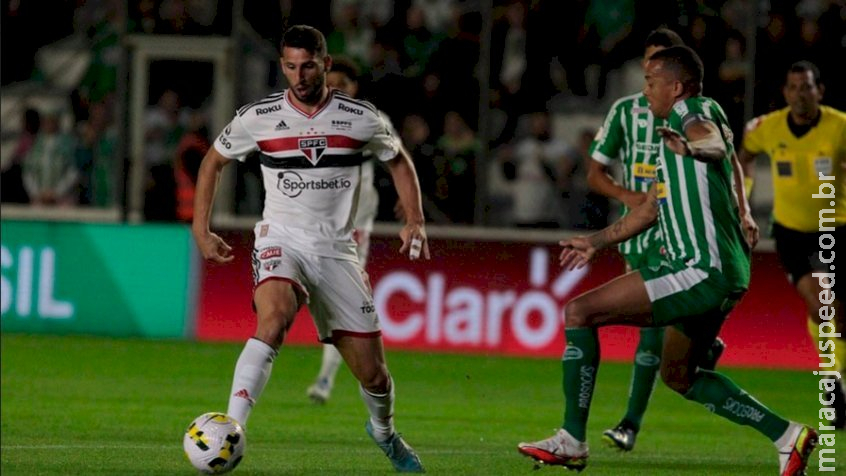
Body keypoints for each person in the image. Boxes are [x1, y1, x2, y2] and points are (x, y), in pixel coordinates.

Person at [517, 46, 817, 476]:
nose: (645, 90)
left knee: (579, 312)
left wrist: (694, 149)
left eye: (651, 81)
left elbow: (710, 143)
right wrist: (596, 242)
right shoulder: (677, 135)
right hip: (724, 273)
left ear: (675, 87)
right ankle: (789, 436)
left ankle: (571, 440)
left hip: (697, 268)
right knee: (679, 375)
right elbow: (651, 208)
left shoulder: (689, 113)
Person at [192, 25, 428, 473]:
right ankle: (231, 430)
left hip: (338, 253)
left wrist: (414, 218)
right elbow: (212, 163)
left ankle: (384, 433)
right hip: (282, 238)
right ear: (282, 65)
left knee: (375, 377)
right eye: (290, 66)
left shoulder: (360, 117)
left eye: (308, 66)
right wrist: (201, 230)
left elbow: (397, 159)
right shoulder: (258, 116)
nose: (299, 75)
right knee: (275, 316)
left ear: (326, 65)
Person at [585, 27, 756, 451]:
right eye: (647, 70)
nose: (649, 80)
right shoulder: (627, 111)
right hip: (644, 222)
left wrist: (743, 207)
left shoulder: (690, 113)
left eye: (657, 72)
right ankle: (698, 338)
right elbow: (594, 172)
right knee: (662, 343)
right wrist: (628, 201)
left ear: (675, 80)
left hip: (683, 227)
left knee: (648, 327)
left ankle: (628, 423)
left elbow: (723, 154)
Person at [740, 60, 846, 429]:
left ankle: (837, 375)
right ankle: (833, 383)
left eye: (808, 87)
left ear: (820, 91)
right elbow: (745, 157)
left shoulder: (840, 126)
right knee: (820, 307)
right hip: (790, 232)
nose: (801, 94)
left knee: (835, 317)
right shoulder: (766, 128)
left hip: (833, 227)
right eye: (794, 88)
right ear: (785, 93)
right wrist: (745, 201)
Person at [305, 55, 404, 404]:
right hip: (310, 219)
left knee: (342, 297)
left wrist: (408, 200)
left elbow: (397, 158)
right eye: (330, 83)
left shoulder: (369, 119)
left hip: (353, 221)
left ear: (354, 88)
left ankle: (326, 378)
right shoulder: (309, 119)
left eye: (342, 84)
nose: (335, 89)